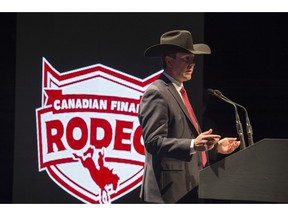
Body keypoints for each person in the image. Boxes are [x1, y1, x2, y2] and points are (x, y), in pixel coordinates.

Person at [138, 30, 240, 203]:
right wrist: (194, 144)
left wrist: (215, 148)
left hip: (188, 188)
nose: (192, 64)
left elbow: (184, 137)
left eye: (193, 59)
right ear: (169, 61)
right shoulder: (157, 93)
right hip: (166, 194)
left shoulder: (178, 91)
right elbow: (153, 142)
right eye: (186, 59)